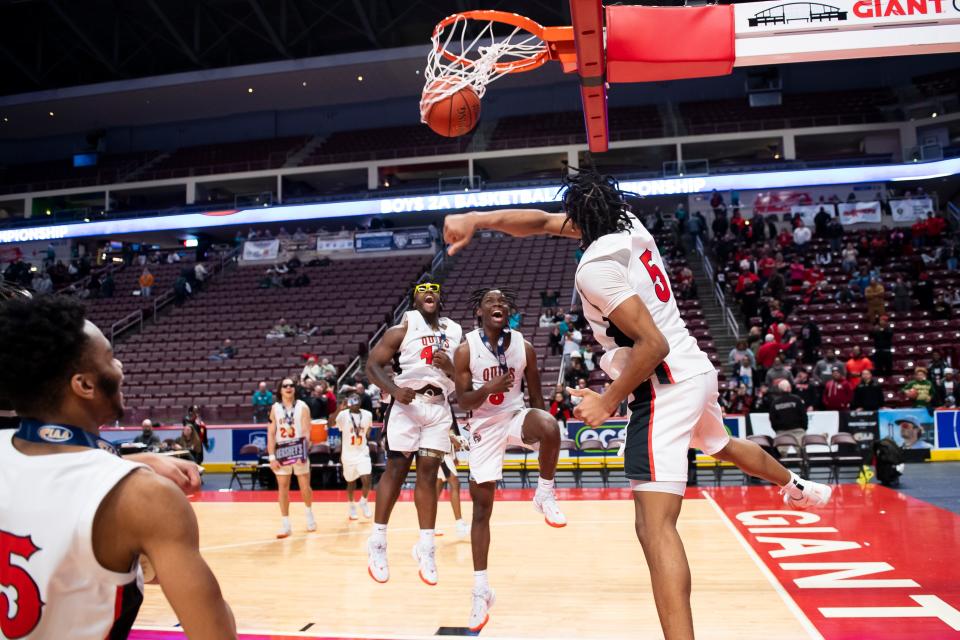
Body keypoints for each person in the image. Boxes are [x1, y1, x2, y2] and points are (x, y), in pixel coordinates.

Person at [444, 169, 831, 640]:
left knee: (654, 527)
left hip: (664, 385)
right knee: (722, 444)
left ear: (579, 218)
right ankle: (796, 485)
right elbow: (540, 222)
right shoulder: (627, 223)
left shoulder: (594, 268)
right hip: (697, 370)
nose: (560, 222)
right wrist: (477, 219)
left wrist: (608, 402)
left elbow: (652, 344)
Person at [0, 294, 235, 639]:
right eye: (110, 358)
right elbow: (215, 634)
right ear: (84, 384)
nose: (120, 367)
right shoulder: (144, 497)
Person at [453, 287, 566, 631]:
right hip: (482, 425)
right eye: (490, 301)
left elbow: (535, 398)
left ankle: (544, 493)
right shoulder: (465, 350)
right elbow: (464, 402)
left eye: (502, 301)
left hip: (515, 415)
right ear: (480, 313)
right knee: (482, 510)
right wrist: (489, 388)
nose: (497, 304)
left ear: (509, 312)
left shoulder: (524, 346)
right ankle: (481, 589)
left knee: (549, 425)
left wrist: (544, 435)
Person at [364, 282, 463, 585]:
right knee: (395, 470)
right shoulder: (402, 329)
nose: (429, 291)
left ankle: (427, 547)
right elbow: (372, 364)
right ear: (415, 298)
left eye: (434, 288)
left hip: (439, 407)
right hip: (408, 405)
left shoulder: (455, 331)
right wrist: (393, 389)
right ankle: (378, 542)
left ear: (440, 297)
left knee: (429, 476)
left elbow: (464, 375)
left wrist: (451, 369)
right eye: (422, 288)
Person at [268, 377, 316, 538]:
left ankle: (309, 516)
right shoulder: (275, 408)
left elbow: (307, 431)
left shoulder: (302, 406)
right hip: (282, 452)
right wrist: (271, 456)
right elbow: (271, 433)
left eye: (291, 385)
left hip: (298, 450)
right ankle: (286, 525)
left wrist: (303, 451)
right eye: (285, 385)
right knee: (283, 488)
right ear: (280, 390)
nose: (289, 388)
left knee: (304, 486)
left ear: (294, 389)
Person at [337, 394, 374, 521]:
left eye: (357, 399)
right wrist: (339, 409)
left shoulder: (368, 414)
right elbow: (331, 424)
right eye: (352, 399)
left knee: (367, 478)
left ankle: (364, 501)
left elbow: (368, 431)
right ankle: (351, 505)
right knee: (351, 483)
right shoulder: (343, 415)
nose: (355, 401)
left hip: (362, 452)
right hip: (348, 455)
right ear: (348, 402)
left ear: (360, 401)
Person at [768, 380, 808, 454]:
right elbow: (804, 415)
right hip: (798, 431)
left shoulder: (775, 402)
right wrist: (804, 428)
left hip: (781, 432)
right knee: (802, 453)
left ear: (779, 389)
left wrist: (777, 430)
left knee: (781, 454)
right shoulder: (797, 399)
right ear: (789, 388)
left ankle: (781, 465)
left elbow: (772, 419)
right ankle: (803, 464)